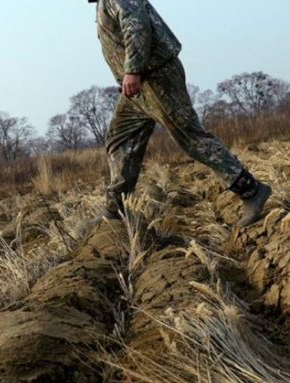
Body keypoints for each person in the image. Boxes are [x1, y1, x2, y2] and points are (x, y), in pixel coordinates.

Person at [90, 0, 272, 227]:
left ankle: (251, 191)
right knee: (120, 137)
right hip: (139, 90)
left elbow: (136, 25)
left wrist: (133, 69)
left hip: (157, 79)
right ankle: (114, 210)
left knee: (191, 138)